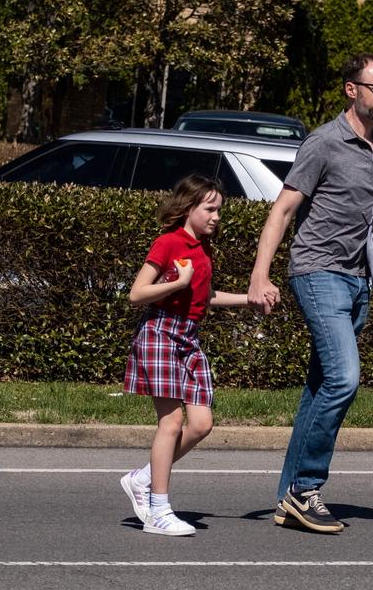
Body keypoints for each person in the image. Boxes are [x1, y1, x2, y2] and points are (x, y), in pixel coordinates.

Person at [248, 53, 373, 534]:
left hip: (359, 279)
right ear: (350, 90)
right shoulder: (324, 142)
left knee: (320, 386)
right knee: (344, 379)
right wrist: (260, 274)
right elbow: (284, 210)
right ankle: (306, 488)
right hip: (317, 272)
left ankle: (287, 498)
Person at [120, 174, 250, 537]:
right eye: (209, 209)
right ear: (188, 208)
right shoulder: (168, 243)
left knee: (201, 424)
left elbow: (204, 297)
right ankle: (159, 509)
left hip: (188, 337)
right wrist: (175, 283)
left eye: (219, 210)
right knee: (172, 423)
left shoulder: (203, 249)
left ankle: (143, 478)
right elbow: (137, 293)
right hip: (160, 332)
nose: (216, 217)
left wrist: (249, 300)